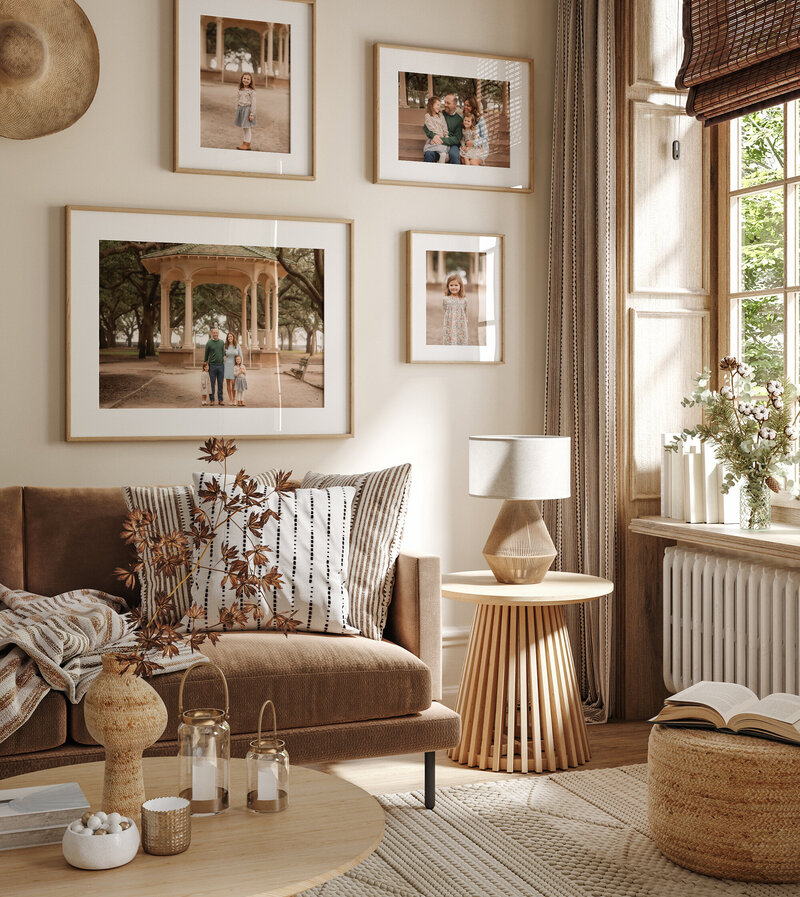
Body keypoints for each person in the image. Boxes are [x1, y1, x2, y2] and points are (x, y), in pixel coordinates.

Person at [423, 93, 462, 164]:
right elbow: (426, 127)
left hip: (451, 144)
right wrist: (433, 136)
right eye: (445, 102)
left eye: (448, 103)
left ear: (455, 105)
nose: (445, 105)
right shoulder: (439, 113)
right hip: (436, 140)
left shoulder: (459, 120)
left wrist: (440, 140)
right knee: (429, 154)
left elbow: (456, 139)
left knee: (454, 156)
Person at [442, 273, 468, 345]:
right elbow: (445, 311)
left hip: (461, 325)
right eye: (451, 285)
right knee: (449, 341)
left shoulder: (464, 300)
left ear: (460, 286)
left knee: (460, 341)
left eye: (456, 285)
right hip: (449, 325)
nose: (454, 287)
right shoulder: (445, 299)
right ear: (448, 286)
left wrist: (465, 321)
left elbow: (466, 312)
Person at [462, 96, 489, 164]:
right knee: (464, 160)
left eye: (468, 105)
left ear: (473, 106)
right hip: (467, 148)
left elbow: (485, 138)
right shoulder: (463, 117)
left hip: (480, 148)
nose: (465, 107)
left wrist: (474, 143)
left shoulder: (480, 119)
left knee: (472, 162)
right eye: (464, 105)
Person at [422, 97, 449, 163]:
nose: (439, 107)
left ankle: (442, 157)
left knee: (444, 150)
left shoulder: (441, 115)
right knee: (430, 149)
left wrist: (446, 135)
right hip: (433, 138)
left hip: (442, 137)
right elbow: (430, 127)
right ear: (432, 105)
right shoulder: (427, 116)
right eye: (437, 105)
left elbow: (444, 126)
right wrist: (437, 135)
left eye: (440, 105)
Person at [234, 72, 256, 151]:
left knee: (247, 128)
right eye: (244, 78)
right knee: (244, 127)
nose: (246, 80)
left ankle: (247, 144)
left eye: (248, 79)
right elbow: (237, 99)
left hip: (247, 110)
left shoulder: (252, 91)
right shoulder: (240, 90)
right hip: (241, 109)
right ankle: (245, 143)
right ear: (242, 79)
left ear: (250, 81)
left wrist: (252, 113)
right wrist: (237, 108)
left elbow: (253, 103)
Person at [204, 326, 226, 405]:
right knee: (212, 384)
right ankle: (212, 399)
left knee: (220, 384)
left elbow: (224, 353)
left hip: (221, 366)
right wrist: (205, 366)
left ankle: (220, 400)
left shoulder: (221, 342)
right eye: (214, 333)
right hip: (212, 366)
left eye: (216, 332)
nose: (215, 334)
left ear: (218, 333)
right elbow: (206, 356)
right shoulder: (209, 343)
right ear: (211, 333)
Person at [223, 332, 240, 405]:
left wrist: (240, 366)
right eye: (228, 337)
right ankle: (230, 399)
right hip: (226, 366)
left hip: (234, 366)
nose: (230, 338)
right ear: (227, 338)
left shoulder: (237, 346)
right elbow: (222, 355)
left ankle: (234, 399)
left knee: (233, 383)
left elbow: (240, 356)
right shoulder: (225, 346)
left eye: (231, 336)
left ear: (233, 337)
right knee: (228, 383)